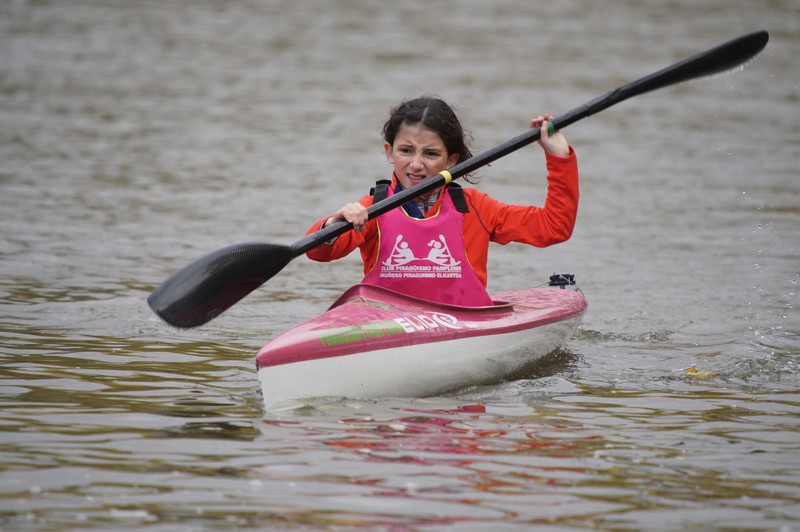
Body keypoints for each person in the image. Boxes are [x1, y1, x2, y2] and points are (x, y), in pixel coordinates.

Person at [305, 96, 578, 306]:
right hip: (389, 326)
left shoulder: (476, 208)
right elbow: (318, 252)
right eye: (406, 150)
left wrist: (559, 156)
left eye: (431, 154)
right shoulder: (370, 209)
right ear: (389, 152)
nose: (416, 164)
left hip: (462, 327)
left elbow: (553, 227)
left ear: (452, 160)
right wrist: (333, 224)